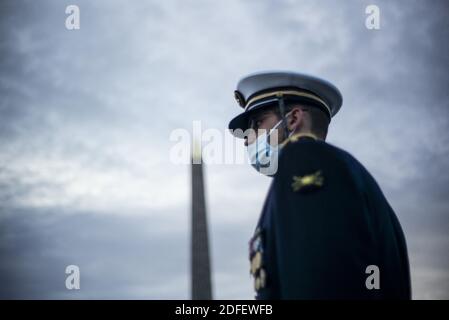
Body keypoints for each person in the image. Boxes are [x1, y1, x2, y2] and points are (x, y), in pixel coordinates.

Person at [228, 71, 411, 299]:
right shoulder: (345, 173)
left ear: (292, 119)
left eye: (256, 123)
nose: (246, 138)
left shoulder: (305, 161)